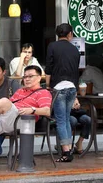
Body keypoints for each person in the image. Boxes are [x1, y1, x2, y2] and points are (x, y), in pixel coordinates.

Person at [44, 23, 80, 163]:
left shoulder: (52, 46)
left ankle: (66, 151)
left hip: (58, 88)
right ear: (70, 34)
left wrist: (47, 85)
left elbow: (49, 67)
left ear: (58, 34)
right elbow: (76, 71)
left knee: (60, 120)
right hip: (72, 88)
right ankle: (69, 148)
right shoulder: (75, 50)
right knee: (66, 119)